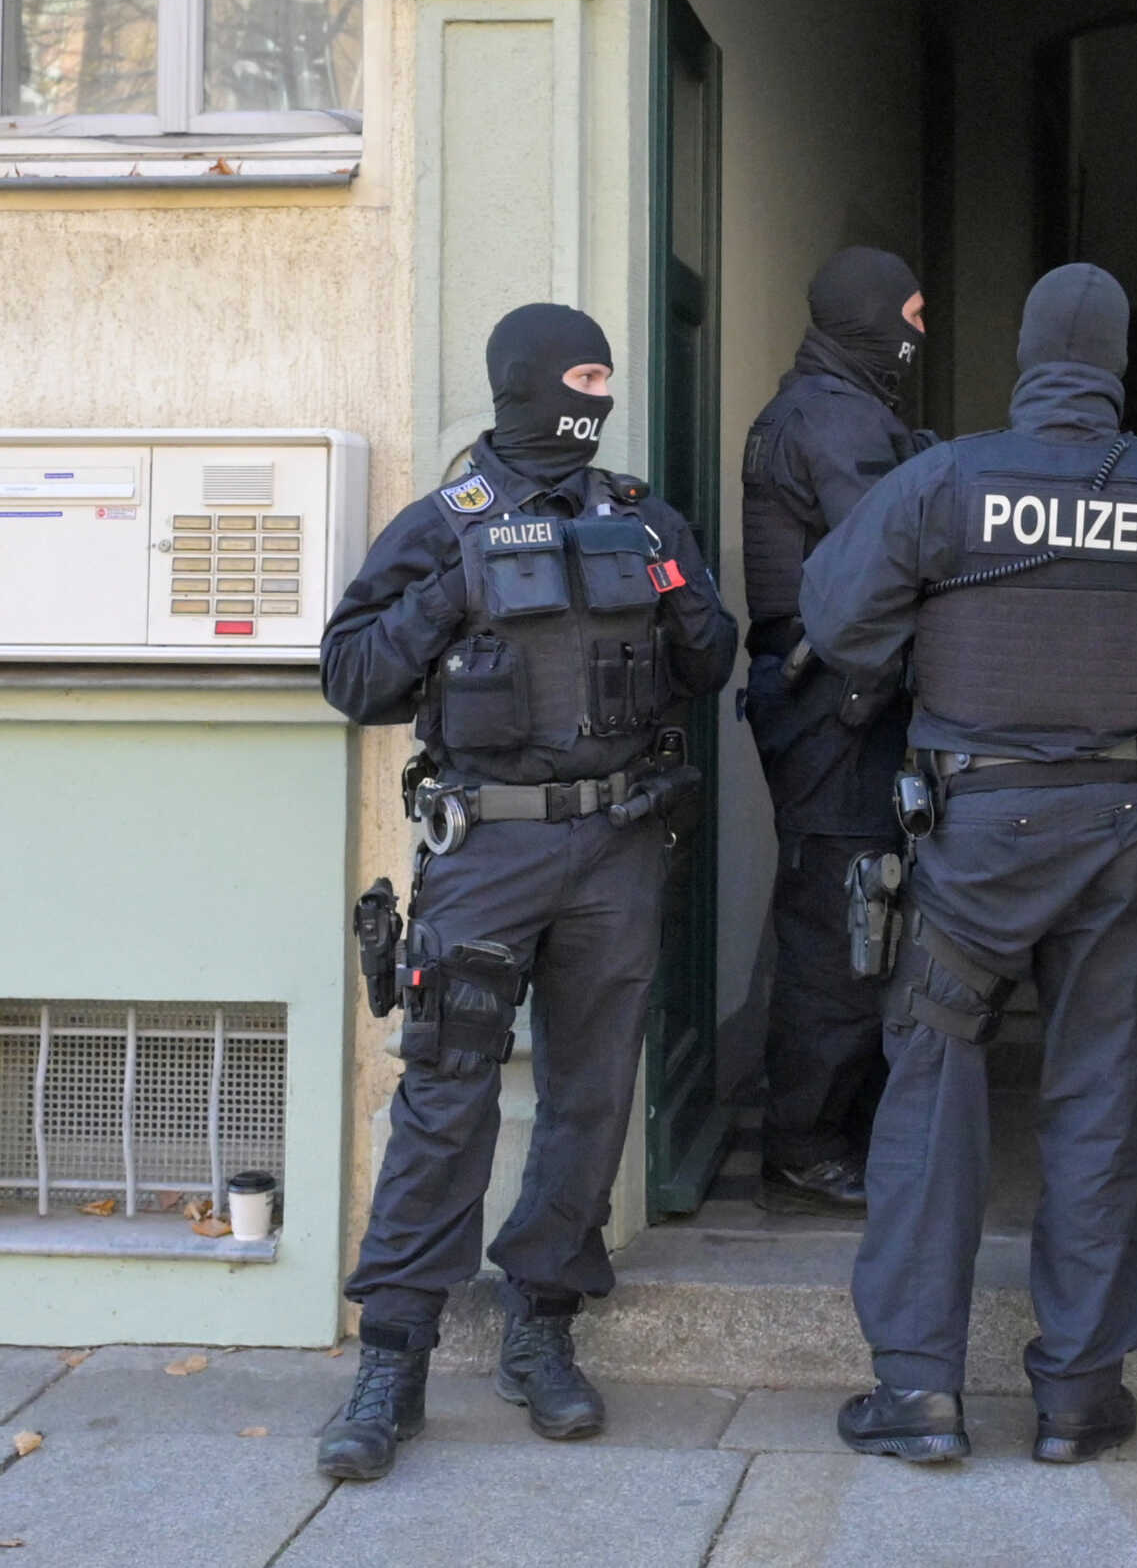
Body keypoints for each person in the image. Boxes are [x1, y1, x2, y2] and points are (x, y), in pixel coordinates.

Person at [800, 264, 1137, 1467]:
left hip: (971, 829)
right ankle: (1078, 1392)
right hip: (1119, 830)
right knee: (1097, 1094)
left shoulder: (940, 479)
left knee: (931, 1092)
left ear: (1026, 356)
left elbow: (836, 621)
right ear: (1118, 361)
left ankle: (920, 1391)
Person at [313, 303, 738, 1481]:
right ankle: (391, 1356)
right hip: (486, 850)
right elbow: (351, 674)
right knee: (445, 1094)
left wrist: (685, 588)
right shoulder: (445, 521)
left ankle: (541, 1321)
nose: (598, 396)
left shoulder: (639, 513)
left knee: (591, 1094)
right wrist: (453, 589)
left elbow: (709, 664)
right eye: (583, 374)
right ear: (529, 382)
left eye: (606, 374)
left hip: (618, 843)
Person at [739, 246, 933, 1214]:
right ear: (867, 319)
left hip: (833, 700)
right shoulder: (830, 417)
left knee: (857, 912)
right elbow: (889, 549)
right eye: (909, 311)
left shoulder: (839, 408)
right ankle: (807, 1139)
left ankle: (827, 1124)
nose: (919, 331)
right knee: (839, 922)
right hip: (833, 705)